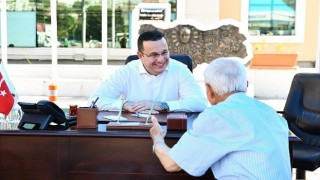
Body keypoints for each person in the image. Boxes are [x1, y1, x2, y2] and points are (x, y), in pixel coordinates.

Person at [150, 57, 291, 179]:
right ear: (246, 85)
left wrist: (157, 139)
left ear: (209, 91)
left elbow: (171, 163)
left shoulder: (218, 115)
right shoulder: (271, 112)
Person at [88, 30, 207, 113]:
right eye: (154, 55)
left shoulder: (180, 69)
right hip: (134, 131)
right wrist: (124, 105)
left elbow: (200, 102)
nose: (161, 59)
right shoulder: (127, 71)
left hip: (169, 130)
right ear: (140, 55)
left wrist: (163, 105)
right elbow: (94, 100)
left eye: (164, 52)